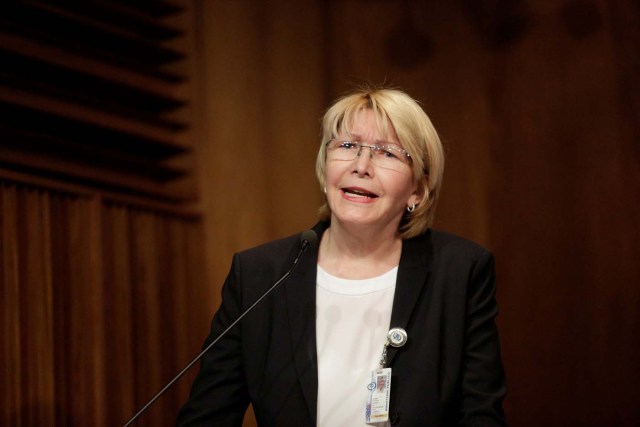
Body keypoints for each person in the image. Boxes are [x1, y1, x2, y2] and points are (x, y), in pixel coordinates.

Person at [177, 87, 507, 426]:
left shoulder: (458, 272)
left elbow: (481, 416)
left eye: (388, 153)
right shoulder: (262, 274)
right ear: (325, 167)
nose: (361, 166)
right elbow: (207, 417)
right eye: (347, 146)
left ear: (417, 190)